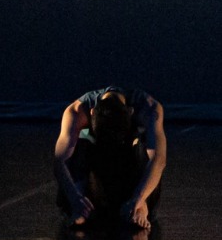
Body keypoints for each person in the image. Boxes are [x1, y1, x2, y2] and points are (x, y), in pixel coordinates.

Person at [53, 86, 166, 228]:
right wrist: (75, 198)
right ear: (92, 112)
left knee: (149, 149)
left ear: (131, 113)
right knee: (76, 145)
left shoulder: (149, 109)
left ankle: (141, 208)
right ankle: (81, 208)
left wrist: (139, 198)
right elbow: (59, 161)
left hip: (128, 169)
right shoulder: (76, 111)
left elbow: (159, 160)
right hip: (97, 173)